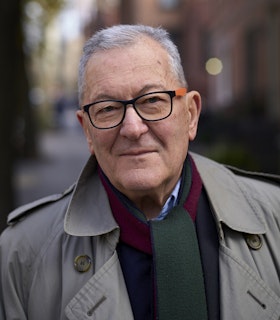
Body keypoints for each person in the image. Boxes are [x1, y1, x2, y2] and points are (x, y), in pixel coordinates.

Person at [0, 24, 280, 320]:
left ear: (191, 115)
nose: (132, 128)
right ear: (87, 131)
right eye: (107, 108)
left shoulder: (274, 217)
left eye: (153, 101)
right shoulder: (21, 255)